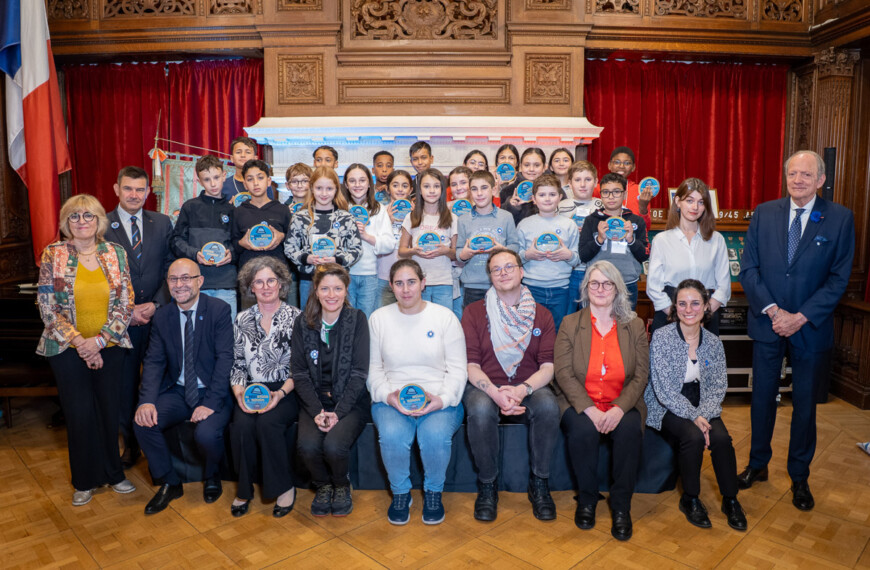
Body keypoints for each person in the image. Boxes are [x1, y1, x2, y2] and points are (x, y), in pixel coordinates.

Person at [737, 150, 855, 512]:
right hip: (768, 324)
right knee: (761, 401)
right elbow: (749, 269)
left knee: (805, 406)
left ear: (821, 180)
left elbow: (838, 279)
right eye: (792, 173)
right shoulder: (764, 213)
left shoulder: (840, 219)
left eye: (806, 174)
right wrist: (774, 311)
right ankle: (757, 465)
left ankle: (799, 476)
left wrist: (800, 316)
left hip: (810, 329)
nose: (798, 180)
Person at [37, 194, 137, 506]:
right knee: (79, 415)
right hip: (66, 348)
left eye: (88, 216)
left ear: (99, 221)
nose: (82, 222)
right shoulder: (53, 254)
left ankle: (114, 474)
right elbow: (47, 306)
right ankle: (83, 480)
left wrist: (99, 341)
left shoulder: (115, 252)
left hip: (110, 345)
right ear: (66, 222)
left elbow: (126, 301)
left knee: (109, 411)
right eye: (75, 217)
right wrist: (82, 343)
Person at [462, 250, 560, 522]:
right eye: (496, 269)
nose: (503, 273)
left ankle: (539, 482)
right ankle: (487, 484)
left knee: (550, 407)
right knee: (481, 410)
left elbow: (548, 368)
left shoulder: (542, 315)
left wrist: (520, 390)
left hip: (528, 384)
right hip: (486, 385)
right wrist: (494, 392)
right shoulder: (472, 312)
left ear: (522, 271)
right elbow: (470, 365)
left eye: (509, 267)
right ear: (490, 277)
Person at [553, 261, 648, 541]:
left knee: (630, 430)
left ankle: (621, 506)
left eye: (607, 283)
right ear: (585, 289)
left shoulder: (635, 324)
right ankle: (587, 499)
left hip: (622, 401)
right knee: (582, 430)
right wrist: (589, 410)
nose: (600, 289)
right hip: (582, 402)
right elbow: (563, 373)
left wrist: (619, 408)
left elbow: (641, 374)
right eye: (594, 283)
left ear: (618, 289)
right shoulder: (571, 323)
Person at [368, 259, 467, 525]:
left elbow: (458, 370)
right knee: (391, 435)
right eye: (399, 283)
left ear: (423, 283)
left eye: (411, 282)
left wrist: (442, 400)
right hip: (392, 399)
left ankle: (433, 493)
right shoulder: (378, 319)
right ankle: (401, 493)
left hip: (439, 399)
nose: (406, 289)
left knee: (434, 436)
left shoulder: (444, 317)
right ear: (390, 286)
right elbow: (373, 371)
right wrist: (389, 397)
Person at [134, 258, 234, 515]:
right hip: (179, 390)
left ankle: (212, 475)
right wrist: (146, 401)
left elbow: (226, 360)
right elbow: (154, 362)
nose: (180, 284)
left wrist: (210, 403)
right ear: (167, 284)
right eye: (173, 279)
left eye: (186, 278)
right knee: (143, 422)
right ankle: (169, 481)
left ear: (200, 281)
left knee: (206, 434)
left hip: (212, 390)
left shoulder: (219, 310)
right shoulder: (164, 316)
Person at [644, 280, 747, 530]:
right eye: (682, 303)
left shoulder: (713, 342)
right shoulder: (662, 337)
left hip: (703, 403)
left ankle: (731, 499)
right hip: (667, 403)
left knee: (722, 439)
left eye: (695, 303)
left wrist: (704, 414)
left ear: (705, 307)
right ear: (674, 307)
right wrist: (694, 418)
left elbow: (718, 386)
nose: (688, 309)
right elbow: (664, 389)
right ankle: (690, 498)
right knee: (694, 436)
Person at [104, 166, 174, 470]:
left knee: (162, 379)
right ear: (117, 189)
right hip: (121, 319)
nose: (135, 195)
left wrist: (156, 304)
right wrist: (126, 310)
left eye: (140, 189)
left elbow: (171, 266)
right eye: (128, 188)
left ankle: (160, 439)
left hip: (157, 316)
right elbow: (97, 275)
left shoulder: (161, 222)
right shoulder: (101, 225)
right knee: (125, 384)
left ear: (149, 192)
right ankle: (130, 444)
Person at [293, 264, 370, 517]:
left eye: (338, 288)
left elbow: (359, 374)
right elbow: (300, 374)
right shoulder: (303, 323)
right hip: (314, 401)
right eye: (325, 288)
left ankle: (341, 485)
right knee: (307, 447)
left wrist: (338, 412)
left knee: (335, 447)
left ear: (346, 290)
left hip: (349, 401)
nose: (331, 294)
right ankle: (323, 485)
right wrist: (316, 411)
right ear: (315, 290)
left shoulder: (357, 319)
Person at [228, 257, 301, 518]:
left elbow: (300, 368)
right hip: (250, 388)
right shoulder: (242, 319)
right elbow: (237, 363)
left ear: (281, 284)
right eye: (259, 282)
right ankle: (244, 491)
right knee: (242, 426)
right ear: (251, 287)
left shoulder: (296, 317)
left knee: (268, 424)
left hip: (287, 388)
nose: (266, 286)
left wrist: (280, 394)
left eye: (271, 280)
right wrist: (238, 394)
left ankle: (284, 486)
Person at [647, 178, 730, 335]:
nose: (695, 207)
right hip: (669, 315)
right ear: (678, 201)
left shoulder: (716, 239)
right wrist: (678, 314)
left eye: (700, 202)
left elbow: (723, 287)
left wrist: (702, 313)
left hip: (707, 314)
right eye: (689, 200)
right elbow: (653, 287)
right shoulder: (662, 240)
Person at [285, 166, 363, 310]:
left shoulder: (346, 217)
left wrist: (337, 260)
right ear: (312, 188)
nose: (324, 193)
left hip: (338, 280)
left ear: (336, 190)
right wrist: (306, 258)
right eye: (319, 188)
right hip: (308, 280)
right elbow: (290, 248)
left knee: (339, 323)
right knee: (309, 322)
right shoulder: (300, 217)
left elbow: (356, 249)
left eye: (329, 189)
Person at [171, 155, 238, 319]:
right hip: (196, 284)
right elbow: (176, 241)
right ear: (199, 181)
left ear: (224, 176)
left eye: (216, 177)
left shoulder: (233, 209)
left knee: (226, 334)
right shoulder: (190, 207)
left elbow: (239, 242)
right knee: (196, 335)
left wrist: (232, 253)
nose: (213, 184)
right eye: (207, 179)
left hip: (226, 284)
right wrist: (195, 254)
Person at [517, 174, 580, 330]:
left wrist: (568, 255)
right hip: (531, 288)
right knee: (531, 330)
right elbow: (515, 258)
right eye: (542, 195)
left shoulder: (569, 225)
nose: (547, 199)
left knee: (558, 331)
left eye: (552, 195)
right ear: (534, 198)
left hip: (561, 290)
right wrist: (527, 255)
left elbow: (577, 259)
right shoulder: (524, 224)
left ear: (559, 197)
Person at [579, 173, 648, 309]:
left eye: (616, 192)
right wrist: (599, 239)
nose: (611, 197)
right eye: (606, 192)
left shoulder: (636, 221)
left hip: (627, 283)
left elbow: (644, 254)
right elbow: (583, 255)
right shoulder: (591, 220)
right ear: (600, 194)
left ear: (624, 194)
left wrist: (631, 239)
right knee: (594, 325)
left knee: (625, 325)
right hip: (597, 285)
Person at [456, 170, 520, 307]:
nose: (479, 193)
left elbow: (515, 246)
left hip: (501, 283)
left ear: (494, 189)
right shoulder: (463, 220)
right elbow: (458, 252)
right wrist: (464, 254)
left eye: (484, 188)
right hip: (472, 286)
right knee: (474, 326)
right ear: (469, 192)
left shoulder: (506, 217)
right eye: (474, 189)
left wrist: (503, 250)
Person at [340, 163, 396, 317]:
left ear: (369, 183)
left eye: (362, 180)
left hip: (370, 275)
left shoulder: (379, 209)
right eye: (352, 181)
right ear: (345, 184)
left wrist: (366, 236)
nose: (357, 185)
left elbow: (389, 244)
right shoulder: (339, 208)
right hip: (344, 273)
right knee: (345, 319)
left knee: (366, 320)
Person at [397, 168, 457, 310]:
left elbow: (455, 254)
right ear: (419, 190)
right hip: (417, 282)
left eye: (436, 186)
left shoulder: (452, 218)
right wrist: (414, 251)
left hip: (443, 281)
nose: (431, 191)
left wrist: (445, 250)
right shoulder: (411, 217)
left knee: (443, 323)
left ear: (442, 189)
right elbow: (402, 250)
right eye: (426, 186)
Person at [231, 159, 291, 271]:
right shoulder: (238, 212)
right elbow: (233, 244)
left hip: (278, 272)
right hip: (248, 272)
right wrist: (241, 243)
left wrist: (282, 236)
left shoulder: (282, 210)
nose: (255, 183)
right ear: (245, 184)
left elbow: (294, 242)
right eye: (250, 179)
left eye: (260, 177)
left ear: (269, 181)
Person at [558, 160, 601, 313]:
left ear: (596, 182)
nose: (582, 184)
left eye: (588, 180)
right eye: (577, 180)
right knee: (568, 314)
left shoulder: (602, 206)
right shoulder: (559, 206)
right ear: (570, 183)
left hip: (594, 268)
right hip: (568, 270)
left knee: (592, 314)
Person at [375, 170, 414, 306]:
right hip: (383, 276)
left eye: (405, 186)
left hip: (409, 277)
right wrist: (387, 222)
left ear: (411, 190)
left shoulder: (417, 214)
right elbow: (374, 243)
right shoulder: (379, 212)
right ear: (388, 189)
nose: (400, 189)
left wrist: (414, 220)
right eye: (395, 185)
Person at [594, 146, 652, 232]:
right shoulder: (598, 189)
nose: (621, 166)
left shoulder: (640, 190)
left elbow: (646, 227)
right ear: (609, 165)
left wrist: (643, 207)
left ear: (633, 167)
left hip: (631, 239)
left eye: (627, 163)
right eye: (617, 162)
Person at [501, 147, 547, 225]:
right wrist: (512, 207)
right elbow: (500, 222)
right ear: (520, 166)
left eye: (537, 165)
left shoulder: (554, 189)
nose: (531, 169)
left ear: (544, 167)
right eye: (526, 165)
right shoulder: (507, 191)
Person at [222, 136, 274, 201]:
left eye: (248, 152)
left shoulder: (263, 183)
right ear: (232, 158)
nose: (243, 155)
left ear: (255, 158)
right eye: (238, 152)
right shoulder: (223, 185)